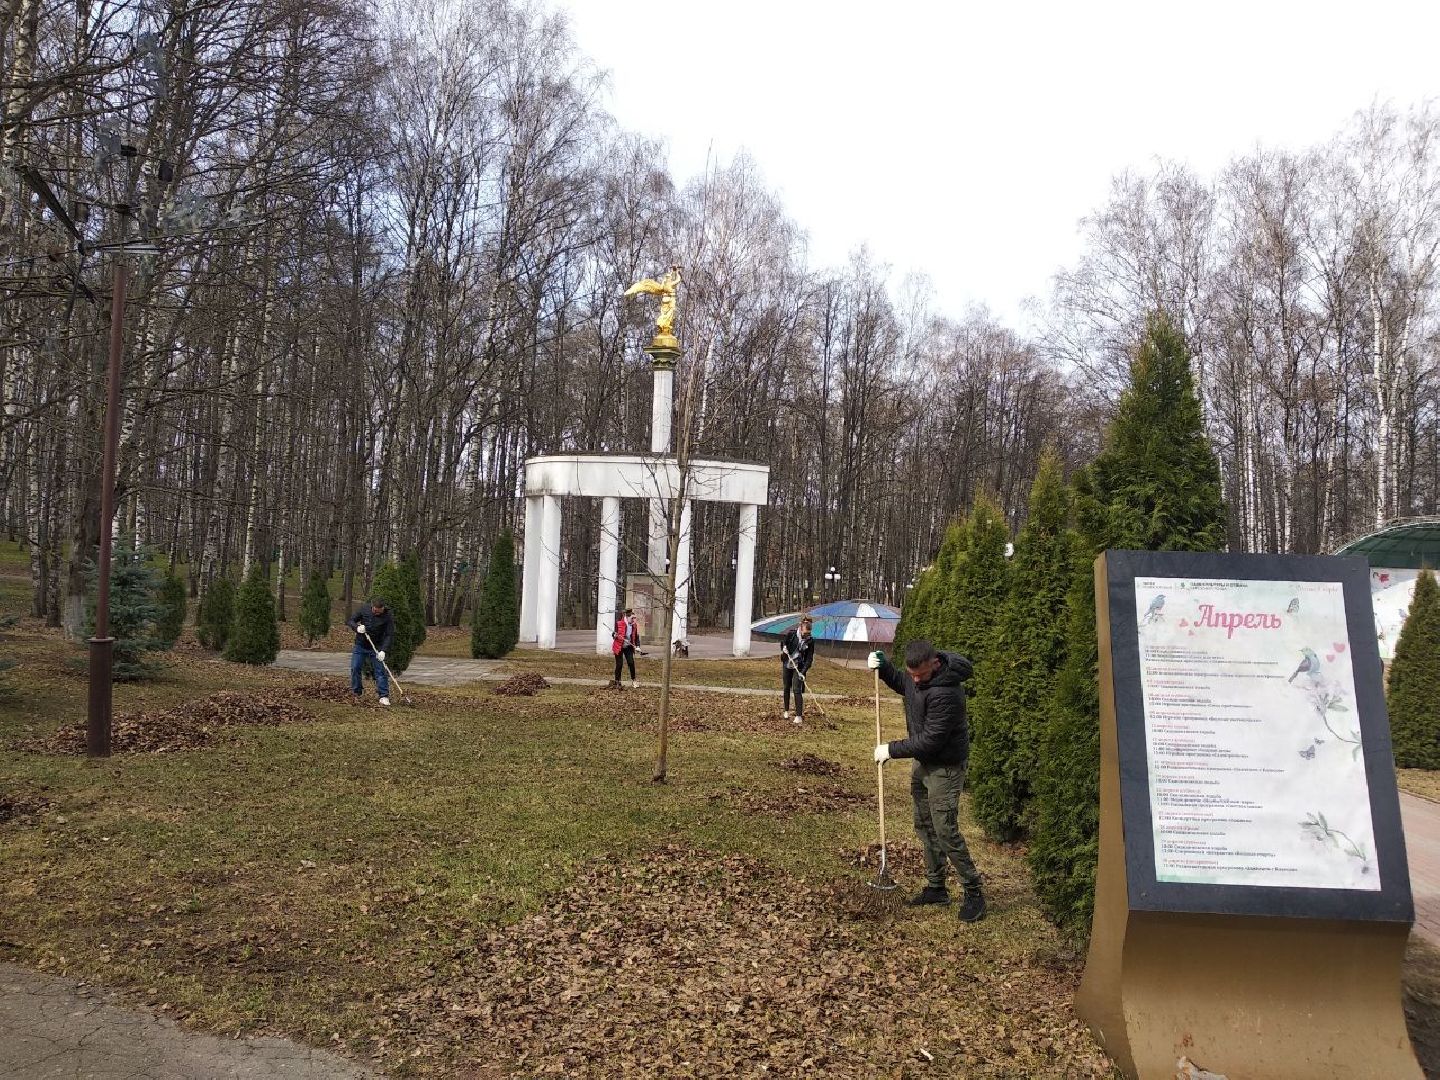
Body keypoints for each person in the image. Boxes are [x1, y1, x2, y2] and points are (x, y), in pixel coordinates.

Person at [869, 640, 986, 922]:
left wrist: (891, 750)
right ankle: (937, 887)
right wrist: (884, 668)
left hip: (944, 768)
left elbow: (931, 740)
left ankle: (974, 892)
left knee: (945, 830)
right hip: (923, 765)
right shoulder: (917, 678)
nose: (916, 680)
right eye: (913, 675)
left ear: (934, 663)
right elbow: (904, 684)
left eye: (921, 674)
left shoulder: (947, 692)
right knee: (924, 825)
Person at [346, 597, 395, 706]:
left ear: (383, 608)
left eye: (378, 611)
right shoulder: (364, 609)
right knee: (355, 667)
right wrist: (357, 627)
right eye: (374, 610)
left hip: (376, 647)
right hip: (361, 645)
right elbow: (350, 620)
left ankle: (383, 696)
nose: (376, 613)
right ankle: (357, 692)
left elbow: (389, 635)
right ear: (372, 606)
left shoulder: (387, 617)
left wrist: (383, 650)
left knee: (380, 671)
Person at [780, 616, 815, 724]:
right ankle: (786, 711)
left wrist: (803, 671)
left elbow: (809, 659)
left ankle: (799, 716)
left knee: (797, 689)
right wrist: (784, 648)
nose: (806, 636)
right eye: (805, 633)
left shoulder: (810, 641)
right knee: (786, 687)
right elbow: (783, 643)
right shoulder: (792, 634)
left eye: (808, 634)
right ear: (801, 628)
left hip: (799, 666)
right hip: (788, 663)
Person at [612, 607, 639, 687]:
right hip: (619, 646)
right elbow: (614, 634)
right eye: (632, 618)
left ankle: (634, 680)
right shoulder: (619, 623)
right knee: (619, 664)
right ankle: (617, 681)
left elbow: (636, 636)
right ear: (627, 617)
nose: (634, 620)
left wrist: (637, 646)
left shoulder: (634, 625)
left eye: (634, 618)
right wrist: (615, 635)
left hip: (628, 647)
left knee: (631, 663)